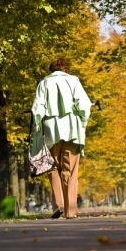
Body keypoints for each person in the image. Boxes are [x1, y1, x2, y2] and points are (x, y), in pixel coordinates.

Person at [31, 58, 92, 219]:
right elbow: (84, 105)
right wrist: (82, 122)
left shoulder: (44, 83)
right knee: (70, 170)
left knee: (52, 167)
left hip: (50, 129)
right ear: (66, 68)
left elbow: (37, 108)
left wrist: (38, 129)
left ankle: (59, 204)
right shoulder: (73, 81)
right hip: (72, 129)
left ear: (52, 69)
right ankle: (70, 211)